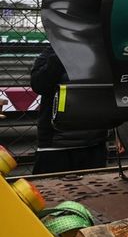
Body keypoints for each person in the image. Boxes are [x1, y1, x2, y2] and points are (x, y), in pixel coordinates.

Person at [30, 45, 108, 173]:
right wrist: (63, 51)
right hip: (56, 144)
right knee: (49, 189)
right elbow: (38, 84)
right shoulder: (54, 49)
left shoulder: (101, 49)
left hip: (94, 142)